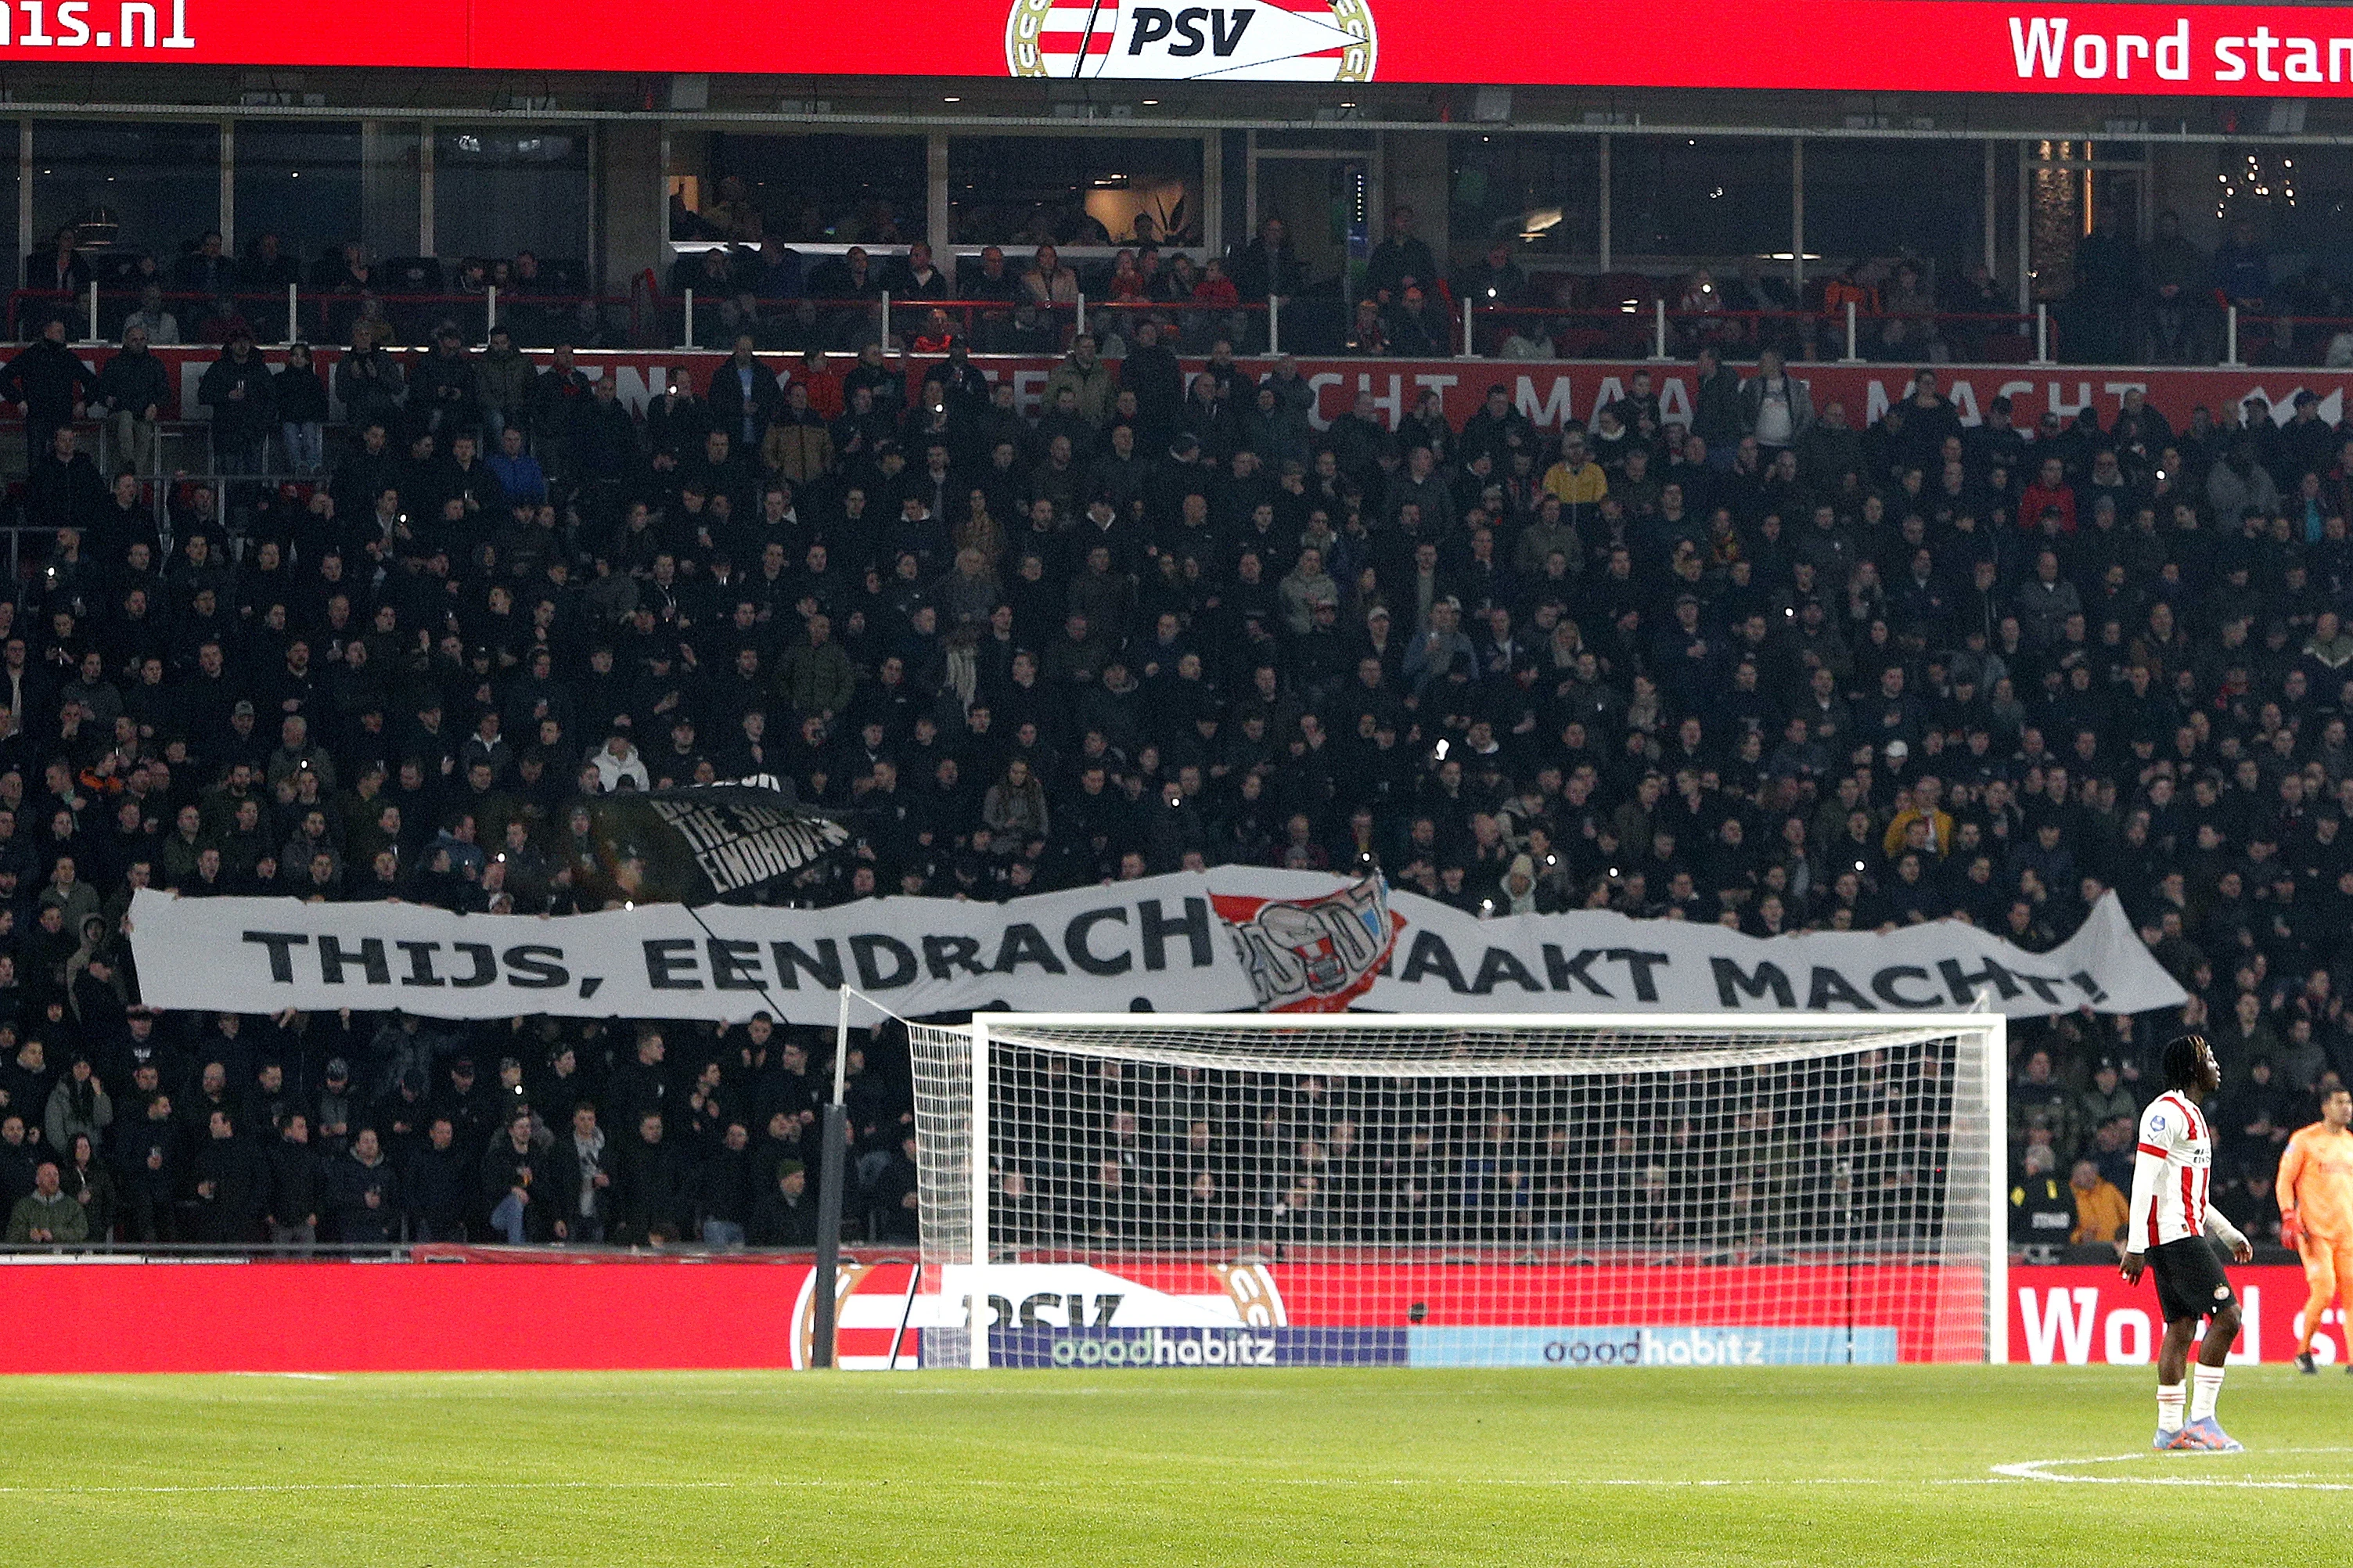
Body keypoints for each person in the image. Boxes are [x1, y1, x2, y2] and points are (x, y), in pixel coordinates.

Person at [2121, 1034, 2253, 1451]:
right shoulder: (2165, 1113)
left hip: (2181, 1231)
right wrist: (2135, 1245)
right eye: (2209, 1058)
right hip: (2175, 1236)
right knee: (2228, 1316)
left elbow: (2189, 1192)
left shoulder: (2192, 1114)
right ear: (2193, 1067)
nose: (2216, 1064)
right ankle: (2202, 1420)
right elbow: (2144, 1180)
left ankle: (2169, 1431)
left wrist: (2227, 1232)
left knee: (2181, 1326)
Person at [2278, 1083, 2353, 1376]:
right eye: (2340, 1102)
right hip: (2315, 1232)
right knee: (2324, 1290)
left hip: (2347, 1233)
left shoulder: (2350, 1143)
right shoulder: (2305, 1140)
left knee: (2351, 1296)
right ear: (2325, 1107)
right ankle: (2303, 1351)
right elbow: (2285, 1180)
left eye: (2348, 1102)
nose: (2346, 1108)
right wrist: (2288, 1215)